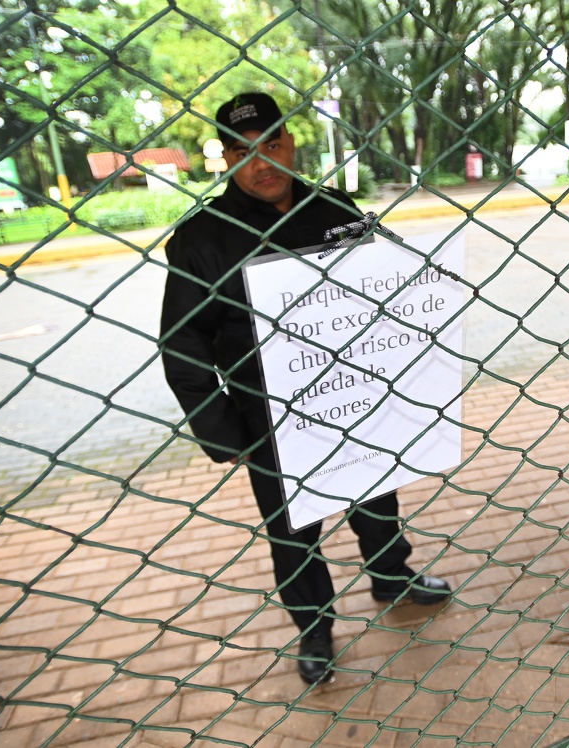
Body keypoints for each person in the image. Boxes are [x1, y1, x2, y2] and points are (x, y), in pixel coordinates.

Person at [159, 92, 451, 686]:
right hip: (271, 416)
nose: (261, 163)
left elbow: (387, 293)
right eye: (242, 151)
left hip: (353, 394)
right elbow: (183, 346)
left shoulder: (335, 209)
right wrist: (226, 433)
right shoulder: (204, 238)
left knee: (377, 493)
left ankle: (391, 574)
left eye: (271, 144)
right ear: (225, 159)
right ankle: (314, 626)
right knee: (294, 530)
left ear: (292, 145)